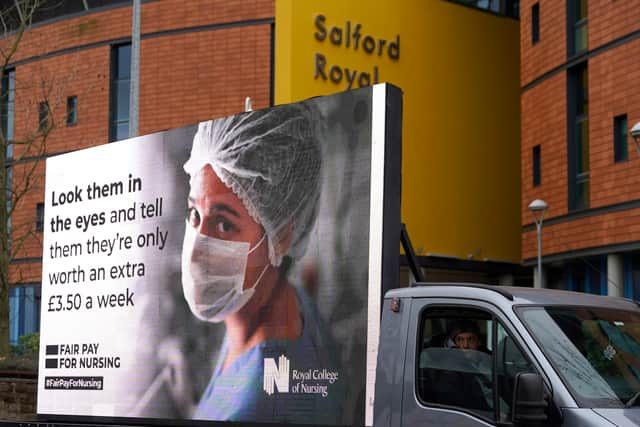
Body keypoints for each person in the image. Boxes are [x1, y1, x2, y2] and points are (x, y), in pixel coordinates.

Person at [180, 104, 343, 424]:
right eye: (194, 214)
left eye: (224, 225)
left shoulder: (253, 408)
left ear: (282, 235)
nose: (196, 250)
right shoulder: (275, 306)